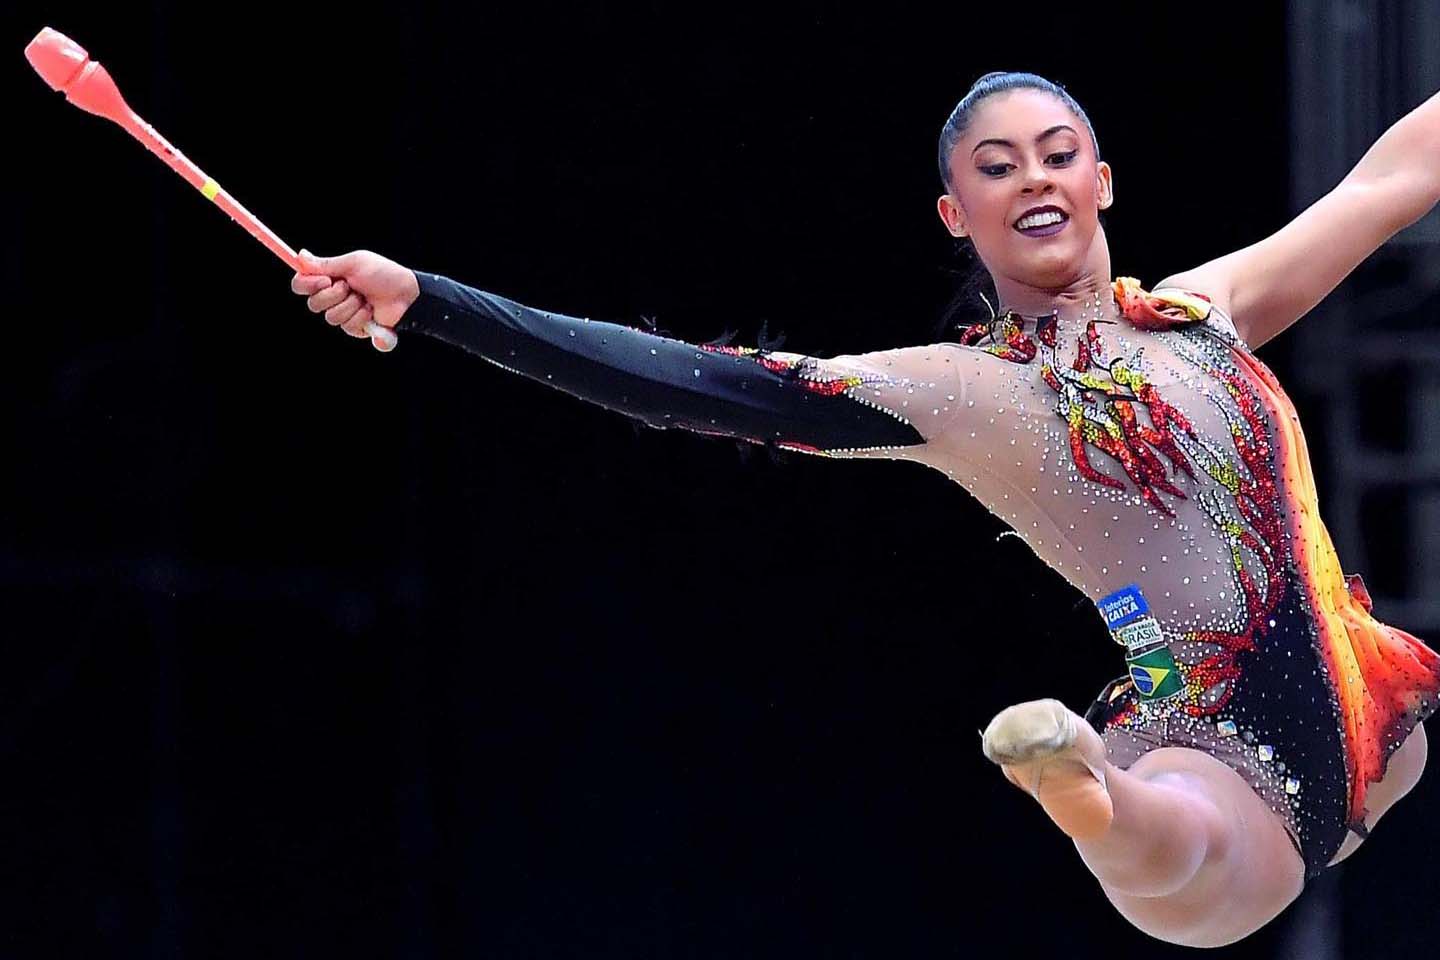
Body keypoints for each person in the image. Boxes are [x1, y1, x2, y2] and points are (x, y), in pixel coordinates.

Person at [289, 72, 1440, 946]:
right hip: (1213, 746)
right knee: (1178, 845)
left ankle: (1092, 786)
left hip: (1369, 711)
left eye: (1057, 153)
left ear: (1101, 182)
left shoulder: (1206, 311)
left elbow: (1387, 184)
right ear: (956, 213)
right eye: (997, 167)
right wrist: (431, 300)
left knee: (1386, 773)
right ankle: (1083, 787)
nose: (1033, 176)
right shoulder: (963, 393)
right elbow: (689, 383)